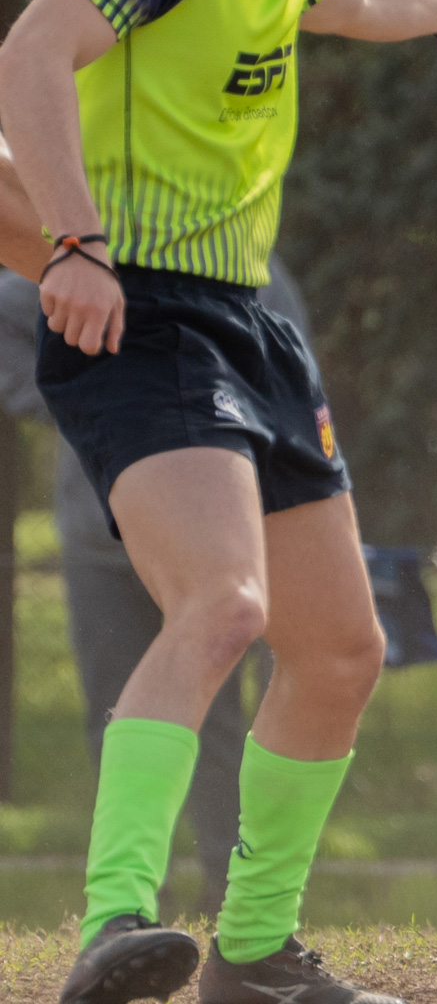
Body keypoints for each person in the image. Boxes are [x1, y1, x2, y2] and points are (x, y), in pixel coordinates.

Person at [0, 0, 437, 1001]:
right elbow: (31, 49)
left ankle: (252, 956)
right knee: (226, 608)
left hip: (249, 325)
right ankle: (115, 920)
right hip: (141, 307)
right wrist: (73, 244)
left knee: (343, 650)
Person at [0, 260, 310, 919]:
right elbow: (6, 320)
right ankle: (132, 902)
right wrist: (76, 399)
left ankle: (233, 894)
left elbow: (289, 376)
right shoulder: (90, 246)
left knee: (220, 722)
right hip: (101, 541)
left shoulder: (254, 264)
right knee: (111, 713)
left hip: (210, 546)